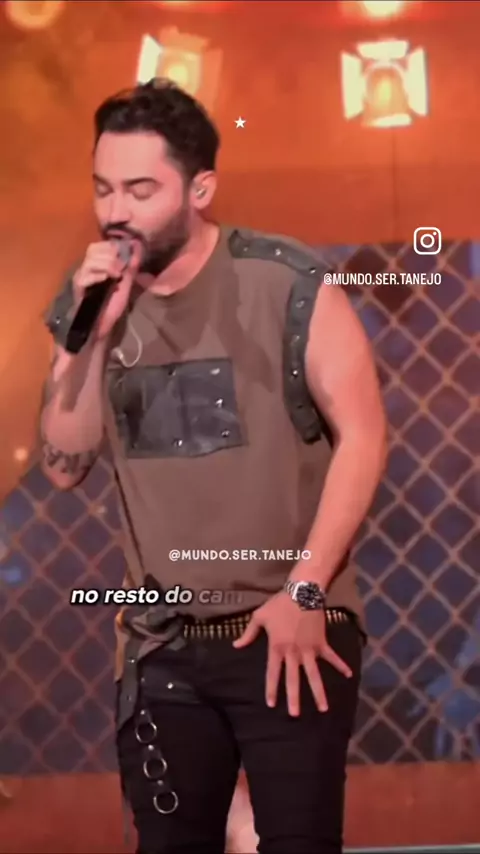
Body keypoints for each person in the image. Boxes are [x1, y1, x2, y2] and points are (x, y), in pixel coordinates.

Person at [40, 78, 387, 854]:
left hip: (289, 630)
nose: (116, 212)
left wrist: (305, 591)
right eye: (103, 189)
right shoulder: (91, 303)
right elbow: (64, 463)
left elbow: (364, 436)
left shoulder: (287, 282)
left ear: (199, 189)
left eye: (140, 190)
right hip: (163, 646)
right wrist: (88, 340)